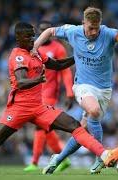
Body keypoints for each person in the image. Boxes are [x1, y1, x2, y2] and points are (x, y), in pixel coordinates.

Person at [0, 22, 118, 174]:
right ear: (19, 38)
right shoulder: (18, 56)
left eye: (33, 36)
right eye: (29, 37)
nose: (33, 40)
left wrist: (77, 57)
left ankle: (104, 154)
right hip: (18, 108)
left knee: (74, 125)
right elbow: (20, 82)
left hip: (39, 107)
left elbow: (58, 65)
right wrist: (39, 79)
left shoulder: (35, 53)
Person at [33, 7, 118, 174]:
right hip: (82, 85)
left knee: (82, 131)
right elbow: (49, 31)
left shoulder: (109, 33)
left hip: (104, 90)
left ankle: (58, 159)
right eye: (90, 28)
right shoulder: (72, 31)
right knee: (94, 110)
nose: (94, 32)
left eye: (96, 27)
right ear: (83, 23)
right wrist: (34, 47)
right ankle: (101, 157)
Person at [23, 21, 74, 172]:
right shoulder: (34, 49)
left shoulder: (57, 48)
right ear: (39, 31)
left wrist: (70, 92)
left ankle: (34, 162)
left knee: (40, 125)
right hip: (36, 93)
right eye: (42, 30)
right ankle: (62, 158)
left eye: (48, 30)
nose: (45, 33)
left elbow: (65, 71)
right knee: (45, 127)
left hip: (50, 93)